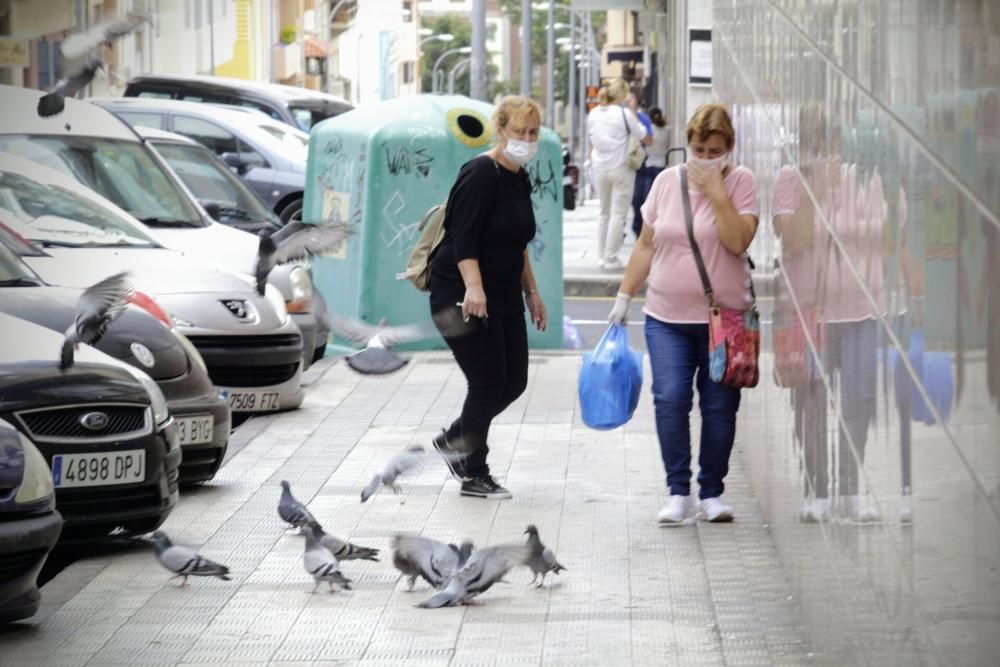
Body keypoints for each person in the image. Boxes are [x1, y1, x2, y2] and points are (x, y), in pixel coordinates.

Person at [608, 103, 759, 524]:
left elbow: (737, 241)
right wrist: (623, 297)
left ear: (729, 148)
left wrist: (715, 191)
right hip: (666, 316)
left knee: (719, 407)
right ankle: (679, 491)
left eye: (714, 151)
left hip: (724, 319)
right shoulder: (666, 181)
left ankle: (712, 492)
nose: (705, 158)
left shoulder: (742, 183)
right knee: (670, 399)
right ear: (687, 145)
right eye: (698, 149)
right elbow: (646, 245)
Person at [427, 95, 548, 500]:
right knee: (487, 382)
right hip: (458, 293)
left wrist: (532, 292)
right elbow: (464, 236)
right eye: (519, 132)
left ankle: (456, 439)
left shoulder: (518, 176)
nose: (527, 140)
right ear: (501, 130)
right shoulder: (480, 172)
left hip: (504, 292)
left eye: (533, 133)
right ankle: (473, 473)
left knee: (513, 382)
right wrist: (473, 288)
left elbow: (518, 243)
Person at [587, 78, 651, 271]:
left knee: (604, 213)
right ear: (622, 95)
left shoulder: (594, 113)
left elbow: (592, 137)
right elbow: (643, 136)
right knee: (618, 214)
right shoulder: (624, 114)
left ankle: (601, 256)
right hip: (621, 167)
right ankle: (611, 257)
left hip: (600, 169)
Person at [632, 106, 671, 238]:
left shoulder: (648, 130)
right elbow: (667, 146)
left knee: (644, 198)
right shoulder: (667, 130)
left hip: (647, 165)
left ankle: (642, 227)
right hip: (661, 166)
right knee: (658, 198)